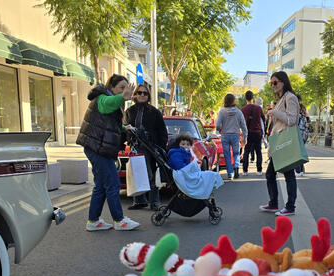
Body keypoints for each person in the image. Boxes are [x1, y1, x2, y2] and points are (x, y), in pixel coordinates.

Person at [76, 74, 140, 231]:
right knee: (113, 183)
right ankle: (119, 220)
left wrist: (125, 128)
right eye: (121, 88)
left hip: (97, 146)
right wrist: (122, 97)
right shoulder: (103, 98)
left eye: (126, 88)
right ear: (111, 88)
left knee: (101, 186)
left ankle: (93, 221)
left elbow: (108, 124)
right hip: (97, 147)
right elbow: (107, 105)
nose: (125, 91)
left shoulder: (109, 100)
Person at [259, 71, 300, 217]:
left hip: (285, 141)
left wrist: (274, 112)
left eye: (275, 82)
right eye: (271, 83)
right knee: (270, 173)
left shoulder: (290, 97)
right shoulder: (283, 98)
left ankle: (290, 206)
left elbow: (292, 120)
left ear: (283, 81)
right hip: (279, 142)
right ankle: (273, 203)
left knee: (288, 174)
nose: (273, 86)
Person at [124, 83, 169, 211]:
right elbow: (124, 128)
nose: (142, 95)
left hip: (151, 147)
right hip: (135, 147)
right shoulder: (129, 111)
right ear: (135, 95)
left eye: (145, 93)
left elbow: (162, 131)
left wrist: (161, 147)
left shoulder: (154, 112)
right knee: (137, 174)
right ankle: (139, 201)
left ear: (148, 96)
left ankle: (154, 201)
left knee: (152, 174)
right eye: (139, 93)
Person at [167, 134, 224, 199]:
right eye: (183, 144)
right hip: (182, 174)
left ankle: (207, 190)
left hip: (186, 172)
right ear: (178, 145)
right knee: (209, 175)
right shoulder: (176, 153)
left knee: (210, 175)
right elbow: (180, 166)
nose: (185, 146)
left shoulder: (186, 153)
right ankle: (205, 191)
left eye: (188, 144)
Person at [215, 93, 248, 180]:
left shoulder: (222, 112)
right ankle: (236, 167)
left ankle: (230, 173)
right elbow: (244, 126)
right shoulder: (238, 112)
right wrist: (245, 137)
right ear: (234, 101)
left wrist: (221, 129)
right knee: (236, 153)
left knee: (227, 154)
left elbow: (217, 125)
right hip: (235, 135)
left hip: (225, 135)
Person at [240, 90, 265, 176]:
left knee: (246, 152)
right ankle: (259, 170)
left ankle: (245, 171)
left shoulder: (242, 109)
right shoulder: (259, 108)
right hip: (257, 132)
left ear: (245, 98)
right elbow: (263, 119)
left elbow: (240, 122)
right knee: (258, 152)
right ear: (253, 98)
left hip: (247, 133)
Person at [294, 94, 309, 176]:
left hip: (298, 132)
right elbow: (308, 120)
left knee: (297, 152)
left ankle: (298, 170)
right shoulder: (304, 108)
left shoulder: (296, 109)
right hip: (304, 133)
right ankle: (302, 170)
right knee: (300, 151)